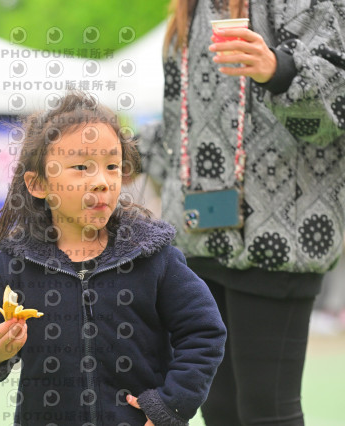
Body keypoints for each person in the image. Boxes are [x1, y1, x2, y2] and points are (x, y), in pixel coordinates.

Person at [0, 92, 227, 426]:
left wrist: (169, 406)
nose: (102, 181)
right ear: (39, 184)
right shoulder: (16, 262)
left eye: (112, 166)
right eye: (81, 167)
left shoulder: (153, 256)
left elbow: (204, 332)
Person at [139, 0, 345, 424]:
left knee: (266, 409)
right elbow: (178, 127)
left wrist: (278, 71)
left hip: (281, 234)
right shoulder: (189, 9)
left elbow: (335, 106)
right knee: (219, 409)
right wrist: (113, 150)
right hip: (198, 235)